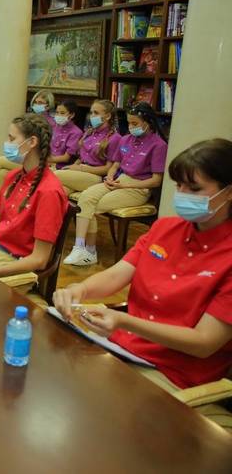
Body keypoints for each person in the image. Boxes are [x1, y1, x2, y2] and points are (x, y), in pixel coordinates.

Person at [53, 138, 232, 394]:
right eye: (179, 186)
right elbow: (117, 274)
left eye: (194, 188)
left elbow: (204, 342)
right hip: (123, 348)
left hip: (173, 374)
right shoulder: (165, 228)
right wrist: (79, 290)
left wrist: (125, 322)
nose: (182, 195)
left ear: (228, 192)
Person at [0, 114, 68, 279]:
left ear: (32, 142)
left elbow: (40, 259)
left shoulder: (49, 192)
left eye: (11, 139)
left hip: (13, 267)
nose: (6, 143)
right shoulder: (13, 177)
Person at [64, 102, 167, 266]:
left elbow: (156, 180)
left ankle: (89, 251)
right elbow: (115, 166)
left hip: (137, 188)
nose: (131, 127)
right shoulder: (126, 139)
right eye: (129, 123)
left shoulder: (159, 145)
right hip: (117, 180)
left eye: (135, 124)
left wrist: (125, 186)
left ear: (148, 123)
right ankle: (80, 247)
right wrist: (110, 178)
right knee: (86, 198)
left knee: (93, 205)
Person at [55, 99, 122, 195]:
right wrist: (74, 166)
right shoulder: (89, 132)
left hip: (96, 176)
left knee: (54, 175)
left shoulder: (115, 138)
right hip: (81, 173)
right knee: (57, 192)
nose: (92, 116)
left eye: (96, 113)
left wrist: (81, 169)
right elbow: (81, 158)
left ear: (108, 116)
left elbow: (108, 169)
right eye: (91, 113)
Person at [48, 99, 83, 169]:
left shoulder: (76, 132)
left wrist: (45, 160)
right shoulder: (54, 127)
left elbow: (66, 158)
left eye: (62, 113)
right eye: (57, 112)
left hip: (62, 167)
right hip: (48, 163)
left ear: (72, 115)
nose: (58, 115)